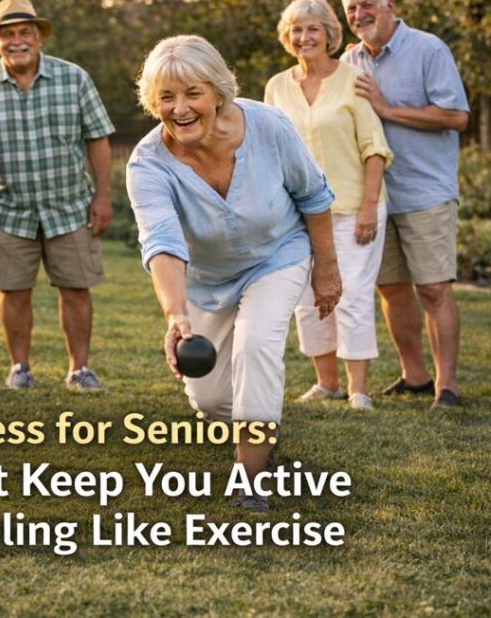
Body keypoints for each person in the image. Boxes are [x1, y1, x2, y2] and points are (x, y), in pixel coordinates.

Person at [127, 35, 340, 511]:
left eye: (192, 94)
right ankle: (261, 425)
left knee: (257, 344)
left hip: (277, 254)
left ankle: (252, 481)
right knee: (208, 400)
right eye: (166, 97)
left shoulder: (266, 126)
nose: (179, 109)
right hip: (207, 278)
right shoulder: (147, 163)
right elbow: (161, 242)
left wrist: (326, 268)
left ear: (218, 91)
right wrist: (175, 315)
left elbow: (314, 196)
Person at [0, 0, 115, 391]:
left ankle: (79, 369)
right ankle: (19, 367)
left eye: (24, 32)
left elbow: (97, 139)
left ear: (38, 37)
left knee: (76, 288)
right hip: (8, 209)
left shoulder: (73, 78)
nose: (16, 41)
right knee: (13, 289)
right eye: (7, 34)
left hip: (69, 205)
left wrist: (103, 197)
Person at [340, 0, 470, 409]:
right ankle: (414, 375)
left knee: (433, 289)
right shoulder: (348, 60)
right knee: (391, 289)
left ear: (389, 4)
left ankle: (445, 387)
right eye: (351, 9)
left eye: (366, 5)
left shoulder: (428, 49)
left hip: (425, 192)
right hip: (373, 196)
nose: (359, 15)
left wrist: (387, 109)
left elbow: (456, 117)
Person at [264, 0, 392, 410]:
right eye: (296, 30)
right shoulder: (277, 87)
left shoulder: (350, 79)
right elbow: (269, 153)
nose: (304, 37)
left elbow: (374, 148)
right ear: (287, 37)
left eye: (313, 29)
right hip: (297, 215)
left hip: (355, 207)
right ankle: (327, 383)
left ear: (330, 35)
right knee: (307, 295)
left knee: (352, 293)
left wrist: (370, 205)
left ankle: (358, 389)